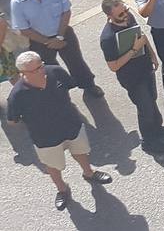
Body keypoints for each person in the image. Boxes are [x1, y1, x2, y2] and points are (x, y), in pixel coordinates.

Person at [7, 51, 114, 210]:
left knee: (80, 152)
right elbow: (12, 120)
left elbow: (69, 85)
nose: (40, 71)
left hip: (71, 125)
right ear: (22, 73)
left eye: (40, 66)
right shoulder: (17, 95)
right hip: (45, 137)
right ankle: (62, 189)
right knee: (53, 165)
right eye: (34, 70)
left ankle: (89, 173)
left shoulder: (56, 72)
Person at [99, 0, 164, 152]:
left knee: (152, 100)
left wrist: (152, 55)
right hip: (132, 78)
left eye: (126, 10)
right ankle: (148, 142)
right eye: (120, 14)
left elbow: (141, 37)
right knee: (145, 109)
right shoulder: (108, 38)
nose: (125, 15)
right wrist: (134, 49)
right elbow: (113, 66)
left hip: (145, 69)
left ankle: (158, 129)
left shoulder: (129, 17)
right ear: (109, 16)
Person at [9, 0, 101, 98]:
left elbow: (66, 12)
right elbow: (24, 29)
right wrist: (47, 41)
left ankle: (88, 85)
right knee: (49, 69)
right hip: (39, 41)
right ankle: (61, 91)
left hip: (63, 33)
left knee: (76, 62)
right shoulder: (17, 2)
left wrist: (59, 37)